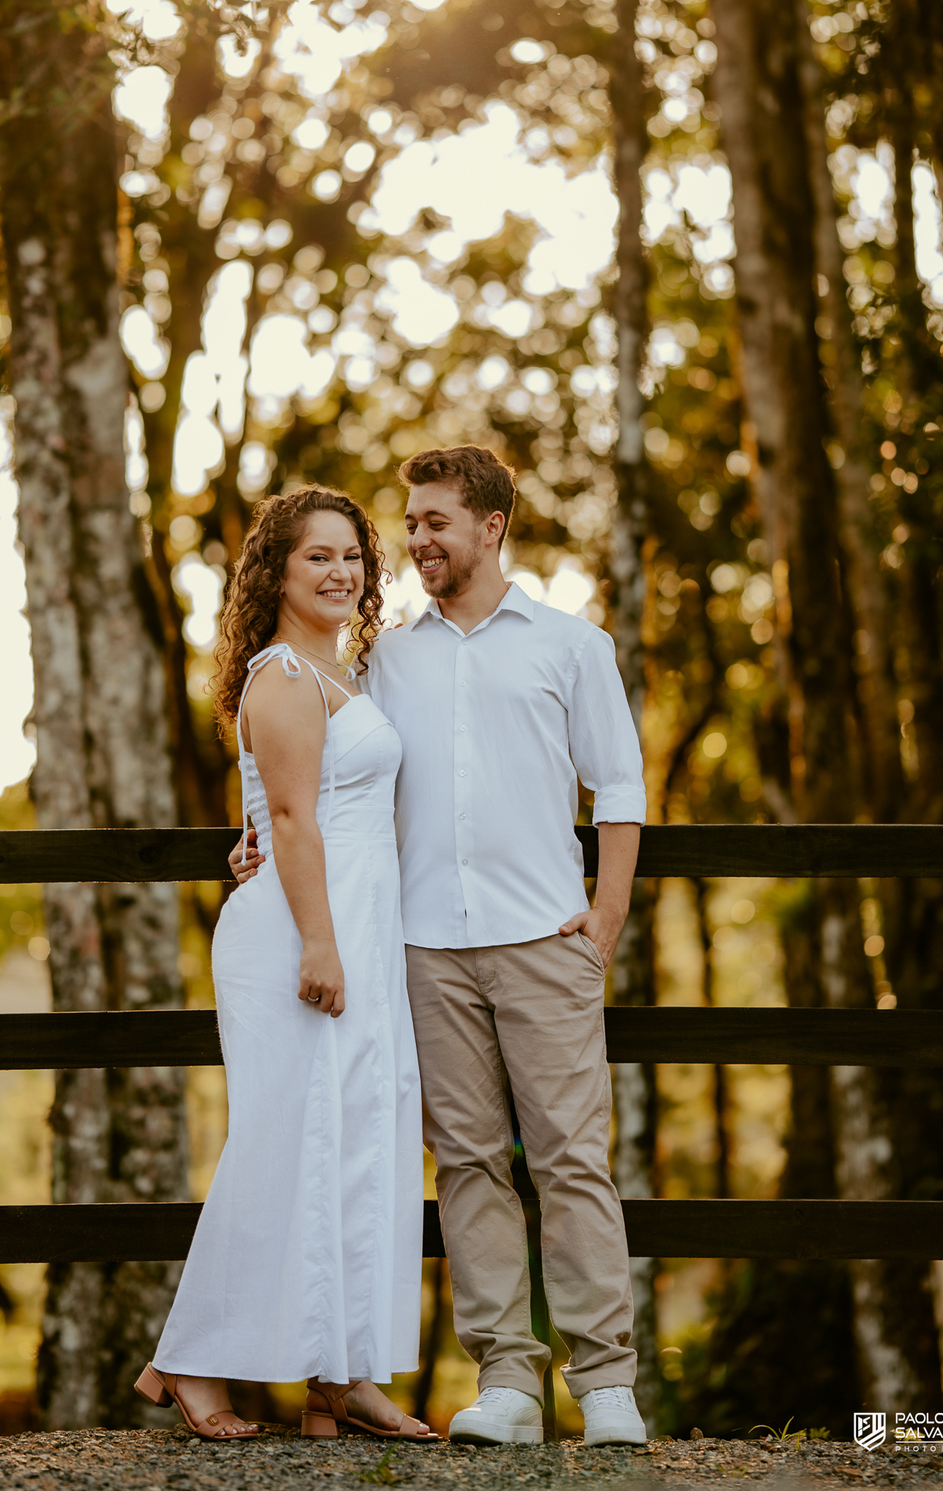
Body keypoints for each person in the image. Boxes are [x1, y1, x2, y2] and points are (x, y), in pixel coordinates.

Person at [235, 445, 648, 1448]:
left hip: (546, 940)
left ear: (491, 527)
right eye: (409, 523)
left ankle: (606, 1390)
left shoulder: (570, 644)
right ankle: (508, 1381)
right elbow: (310, 760)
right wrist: (251, 828)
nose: (413, 541)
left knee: (569, 1163)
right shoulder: (384, 660)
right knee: (466, 1164)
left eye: (434, 523)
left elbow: (622, 788)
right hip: (421, 951)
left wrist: (605, 921)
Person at [140, 485, 434, 1444]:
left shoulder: (342, 676)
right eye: (319, 555)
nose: (342, 571)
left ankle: (340, 1378)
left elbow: (284, 811)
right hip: (307, 937)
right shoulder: (281, 678)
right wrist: (317, 938)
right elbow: (297, 817)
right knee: (283, 1140)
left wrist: (257, 843)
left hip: (358, 930)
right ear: (276, 571)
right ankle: (186, 1363)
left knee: (359, 1144)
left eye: (353, 556)